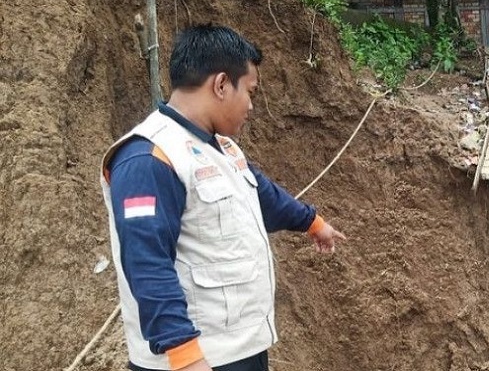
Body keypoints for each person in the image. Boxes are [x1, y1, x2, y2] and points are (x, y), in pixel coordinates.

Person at [100, 24, 347, 371]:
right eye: (249, 91)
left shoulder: (220, 148)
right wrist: (186, 357)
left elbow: (262, 196)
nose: (251, 105)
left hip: (238, 348)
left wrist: (313, 223)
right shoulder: (149, 158)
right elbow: (146, 263)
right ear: (220, 85)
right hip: (197, 359)